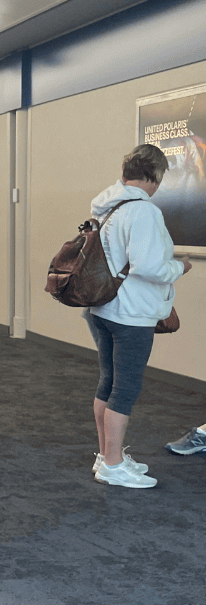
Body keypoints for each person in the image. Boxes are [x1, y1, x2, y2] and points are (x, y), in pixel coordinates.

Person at [86, 144, 192, 488]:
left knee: (108, 383)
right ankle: (113, 465)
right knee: (125, 389)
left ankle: (106, 456)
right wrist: (180, 266)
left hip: (102, 307)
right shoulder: (144, 212)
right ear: (156, 175)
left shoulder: (108, 205)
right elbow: (149, 267)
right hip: (131, 314)